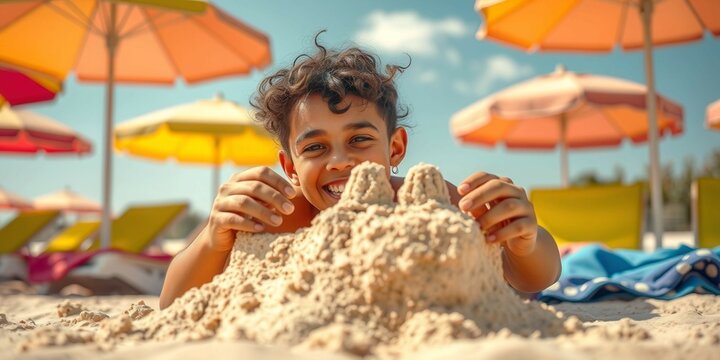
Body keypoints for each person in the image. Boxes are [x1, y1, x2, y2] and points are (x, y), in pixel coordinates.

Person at [159, 36, 561, 309]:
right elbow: (172, 302)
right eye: (315, 148)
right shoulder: (280, 215)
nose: (339, 162)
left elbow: (534, 280)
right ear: (290, 168)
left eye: (359, 140)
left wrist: (525, 243)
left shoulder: (431, 204)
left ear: (395, 149)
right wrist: (213, 238)